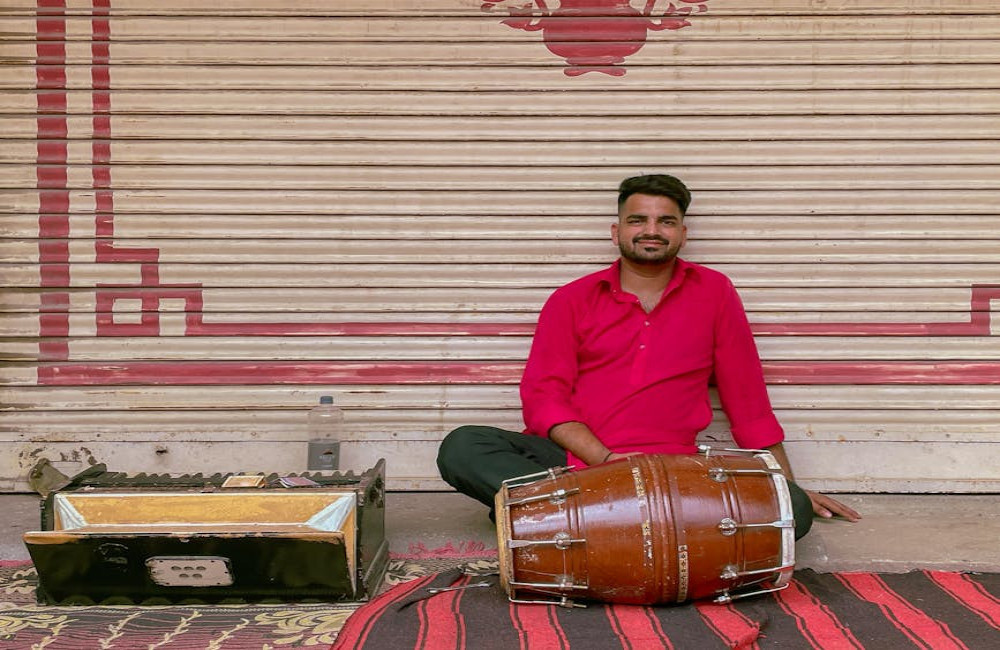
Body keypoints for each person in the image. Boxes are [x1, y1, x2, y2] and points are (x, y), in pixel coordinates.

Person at [437, 173, 860, 539]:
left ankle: (569, 523)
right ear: (616, 230)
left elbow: (746, 399)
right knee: (463, 446)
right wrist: (605, 461)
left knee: (795, 513)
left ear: (682, 233)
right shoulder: (571, 300)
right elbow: (544, 398)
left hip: (676, 473)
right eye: (637, 220)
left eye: (666, 221)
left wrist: (785, 486)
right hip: (578, 467)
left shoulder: (715, 293)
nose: (651, 230)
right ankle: (617, 519)